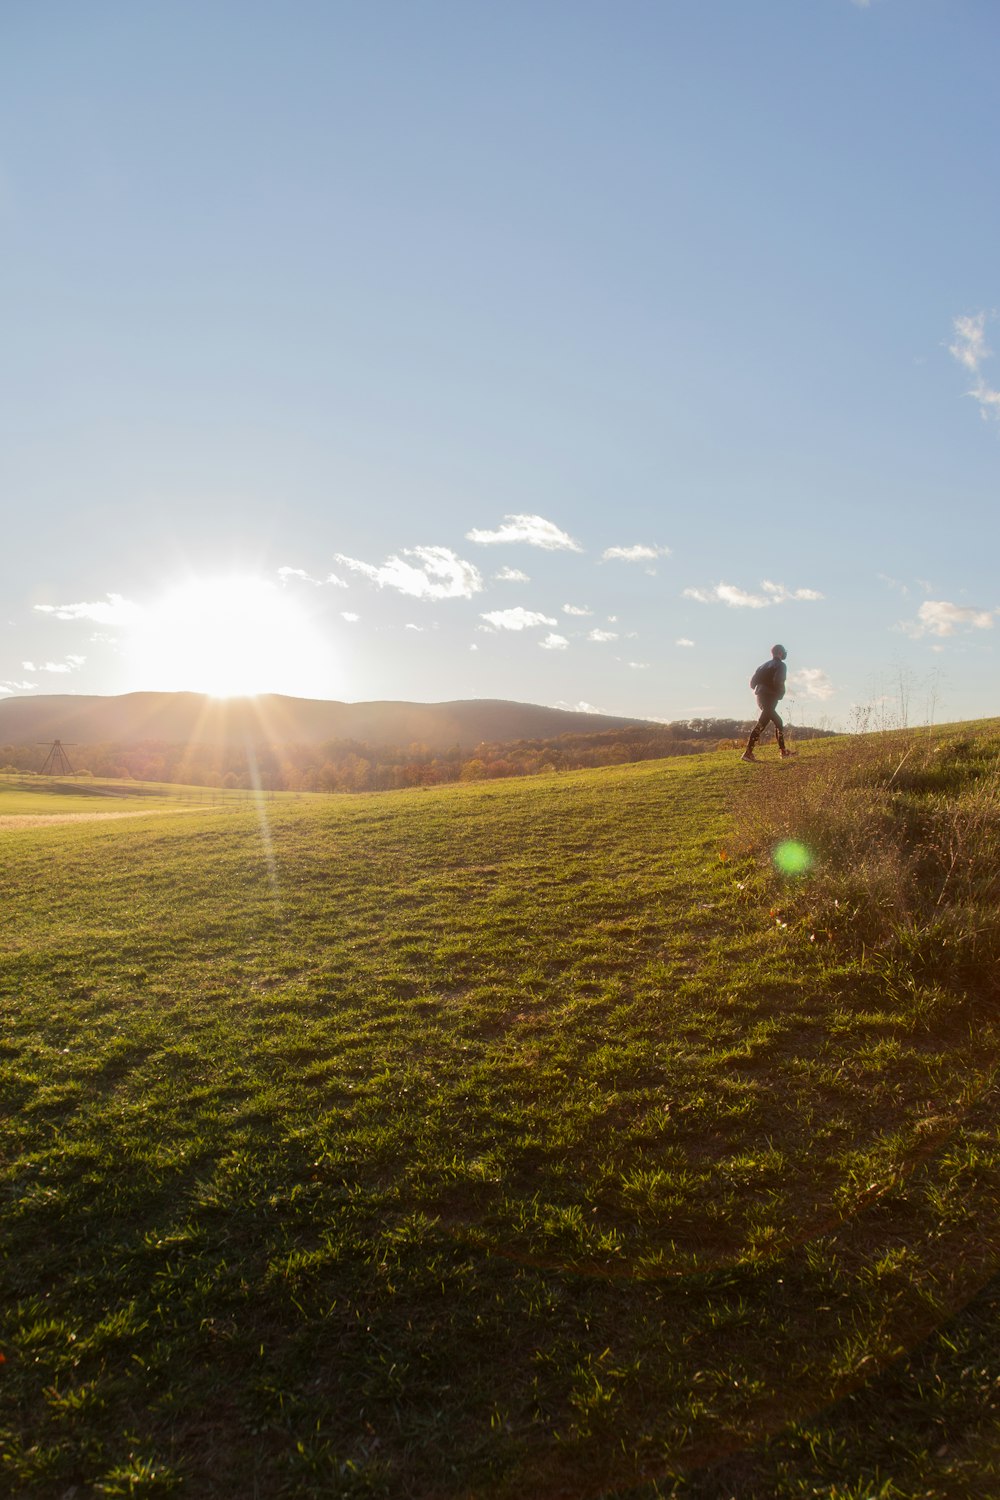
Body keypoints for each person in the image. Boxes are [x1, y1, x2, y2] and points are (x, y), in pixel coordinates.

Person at [741, 644, 791, 762]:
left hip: (760, 697)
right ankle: (748, 753)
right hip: (770, 696)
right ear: (780, 652)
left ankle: (783, 751)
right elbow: (779, 680)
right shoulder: (781, 665)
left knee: (778, 722)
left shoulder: (762, 666)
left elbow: (752, 684)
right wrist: (780, 694)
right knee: (762, 724)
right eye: (783, 652)